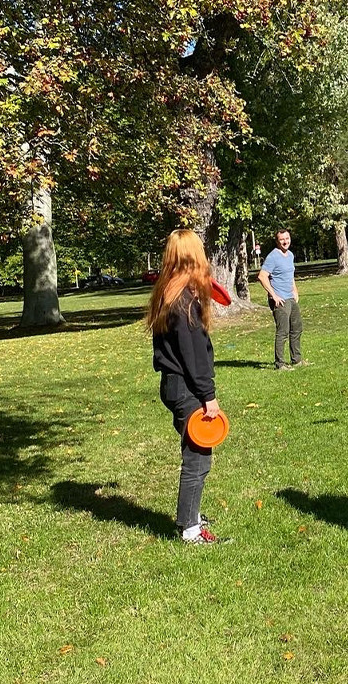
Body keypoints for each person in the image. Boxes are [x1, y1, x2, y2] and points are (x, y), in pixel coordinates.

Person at [145, 229, 224, 545]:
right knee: (198, 458)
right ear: (193, 256)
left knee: (197, 454)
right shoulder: (184, 301)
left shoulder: (167, 292)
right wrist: (209, 397)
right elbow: (193, 356)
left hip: (174, 385)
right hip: (187, 388)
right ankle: (190, 530)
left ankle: (190, 516)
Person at [258, 228, 305, 370]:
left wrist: (295, 291)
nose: (285, 242)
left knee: (297, 328)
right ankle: (280, 364)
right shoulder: (273, 256)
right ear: (277, 241)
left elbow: (290, 276)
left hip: (290, 297)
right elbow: (262, 276)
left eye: (287, 238)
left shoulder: (290, 255)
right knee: (283, 331)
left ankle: (296, 360)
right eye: (282, 239)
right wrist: (274, 295)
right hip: (280, 300)